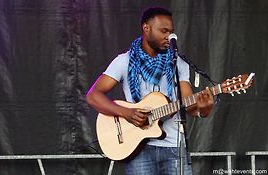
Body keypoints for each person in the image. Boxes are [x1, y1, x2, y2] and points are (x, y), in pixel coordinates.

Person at [86, 7, 214, 175]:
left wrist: (204, 109)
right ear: (146, 28)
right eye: (163, 31)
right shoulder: (124, 61)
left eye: (171, 32)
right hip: (138, 148)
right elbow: (93, 96)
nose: (168, 36)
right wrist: (126, 112)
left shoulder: (178, 64)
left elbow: (189, 105)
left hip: (174, 148)